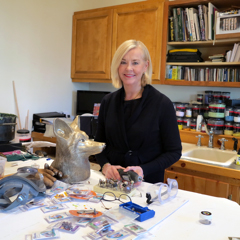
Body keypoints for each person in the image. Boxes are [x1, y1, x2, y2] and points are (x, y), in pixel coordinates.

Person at [94, 39, 182, 184]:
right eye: (123, 62)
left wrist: (144, 169)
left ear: (145, 66)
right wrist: (105, 166)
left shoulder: (162, 104)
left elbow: (174, 152)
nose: (128, 68)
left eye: (135, 62)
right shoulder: (107, 102)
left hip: (147, 184)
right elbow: (99, 144)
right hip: (112, 183)